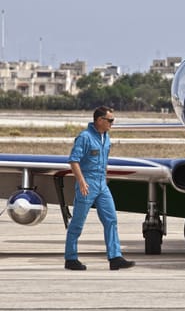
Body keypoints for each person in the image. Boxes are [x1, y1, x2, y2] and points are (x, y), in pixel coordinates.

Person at [64, 106, 135, 271]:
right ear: (99, 120)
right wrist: (81, 181)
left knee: (111, 220)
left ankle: (115, 257)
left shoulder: (107, 137)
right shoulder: (85, 137)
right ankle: (71, 258)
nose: (112, 123)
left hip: (102, 185)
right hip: (87, 184)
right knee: (77, 223)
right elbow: (74, 160)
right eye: (110, 120)